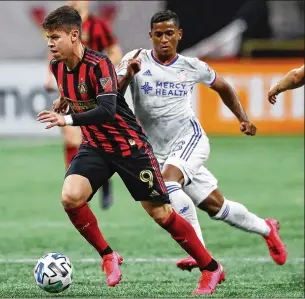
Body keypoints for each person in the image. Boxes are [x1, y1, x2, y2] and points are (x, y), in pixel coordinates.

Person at [39, 6, 225, 295]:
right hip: (96, 147)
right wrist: (65, 100)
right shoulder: (56, 66)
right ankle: (108, 256)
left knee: (162, 214)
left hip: (129, 147)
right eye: (48, 38)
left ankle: (211, 268)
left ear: (74, 35)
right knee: (70, 198)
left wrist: (68, 119)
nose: (50, 44)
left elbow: (107, 109)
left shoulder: (100, 64)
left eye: (55, 37)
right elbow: (74, 90)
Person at [116, 10, 287, 272]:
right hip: (158, 149)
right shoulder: (135, 59)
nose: (164, 39)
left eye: (169, 34)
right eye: (158, 34)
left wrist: (243, 117)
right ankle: (267, 228)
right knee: (217, 207)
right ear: (150, 36)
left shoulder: (191, 65)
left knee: (169, 183)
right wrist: (128, 75)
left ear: (179, 35)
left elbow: (223, 86)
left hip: (189, 139)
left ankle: (200, 254)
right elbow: (113, 94)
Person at [44, 1, 122, 210]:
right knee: (70, 135)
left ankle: (104, 181)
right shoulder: (62, 24)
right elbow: (53, 53)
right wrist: (48, 77)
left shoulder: (98, 25)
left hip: (96, 93)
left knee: (98, 140)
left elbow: (115, 51)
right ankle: (73, 180)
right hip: (70, 87)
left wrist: (104, 71)